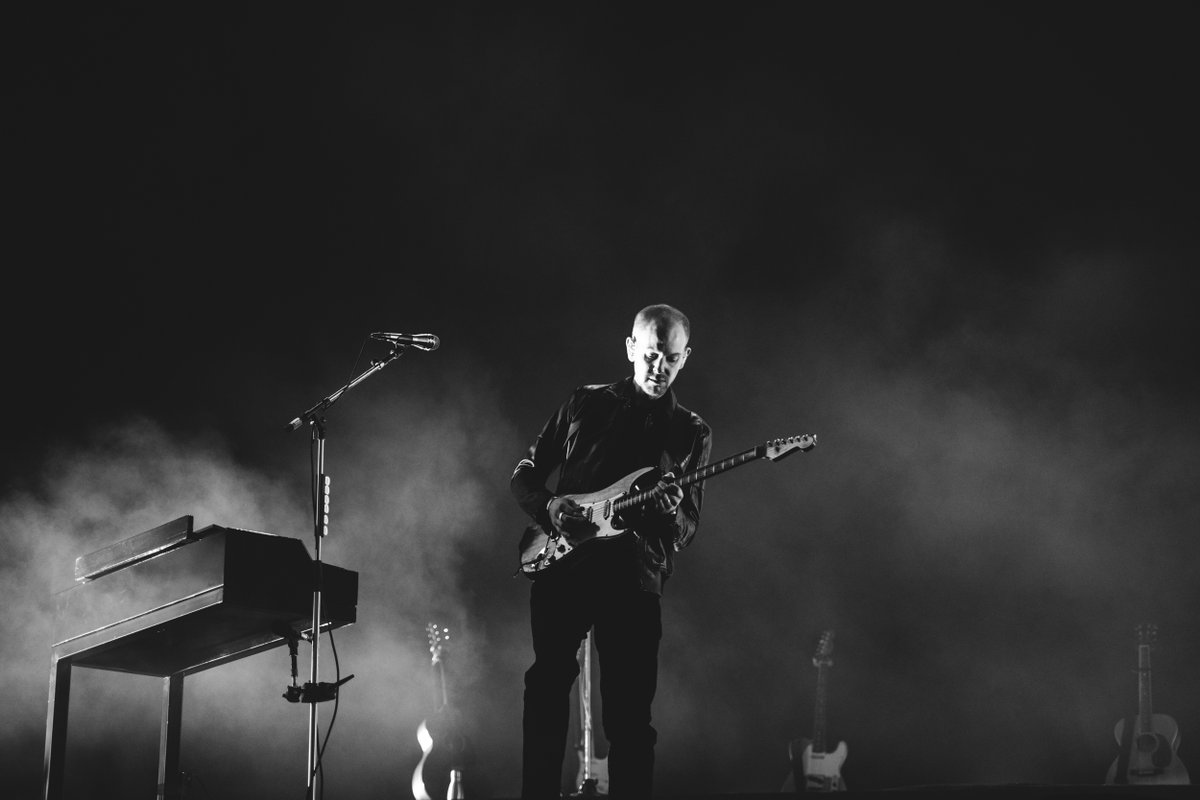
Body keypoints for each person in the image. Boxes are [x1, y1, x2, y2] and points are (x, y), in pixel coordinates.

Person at [510, 304, 713, 799]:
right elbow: (525, 474)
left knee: (629, 717)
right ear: (629, 349)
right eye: (649, 355)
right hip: (565, 565)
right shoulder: (586, 402)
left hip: (633, 579)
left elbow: (686, 531)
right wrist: (552, 506)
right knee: (546, 691)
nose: (657, 368)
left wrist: (669, 510)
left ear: (685, 358)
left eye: (669, 358)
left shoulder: (691, 433)